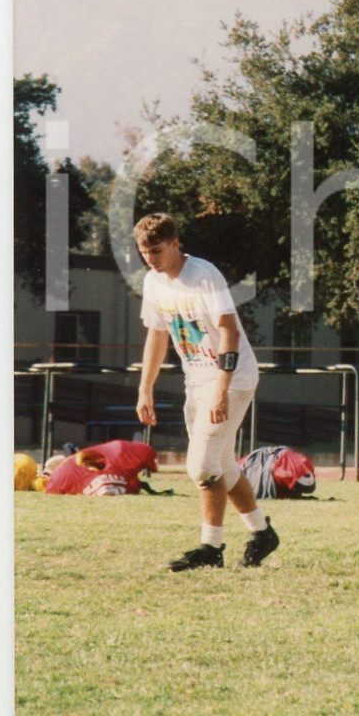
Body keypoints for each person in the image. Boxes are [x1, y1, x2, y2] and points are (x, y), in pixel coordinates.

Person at [134, 213, 280, 571]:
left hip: (231, 376)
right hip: (196, 378)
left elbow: (228, 331)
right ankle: (262, 533)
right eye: (144, 251)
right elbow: (157, 334)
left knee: (201, 465)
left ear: (175, 243)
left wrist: (222, 389)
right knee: (222, 464)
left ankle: (210, 548)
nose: (151, 259)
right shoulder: (153, 282)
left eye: (156, 250)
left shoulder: (203, 274)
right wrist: (145, 389)